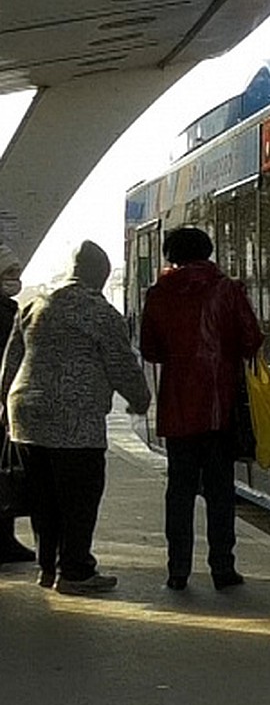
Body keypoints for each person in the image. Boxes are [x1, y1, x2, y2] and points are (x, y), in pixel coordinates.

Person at [0, 241, 151, 594]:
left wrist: (5, 406)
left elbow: (11, 360)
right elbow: (122, 365)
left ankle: (47, 567)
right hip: (74, 419)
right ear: (99, 275)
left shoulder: (35, 305)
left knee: (43, 496)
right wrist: (141, 400)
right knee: (79, 497)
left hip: (26, 414)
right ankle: (76, 571)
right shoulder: (100, 312)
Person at [139, 226, 262, 591]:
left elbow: (150, 350)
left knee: (179, 491)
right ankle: (223, 567)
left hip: (177, 411)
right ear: (208, 251)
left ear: (171, 254)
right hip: (219, 409)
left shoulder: (159, 294)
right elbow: (251, 339)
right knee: (220, 491)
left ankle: (178, 570)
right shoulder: (227, 289)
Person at [0, 244, 36, 564]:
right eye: (10, 273)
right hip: (1, 407)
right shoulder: (7, 314)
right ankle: (4, 540)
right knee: (5, 475)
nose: (15, 279)